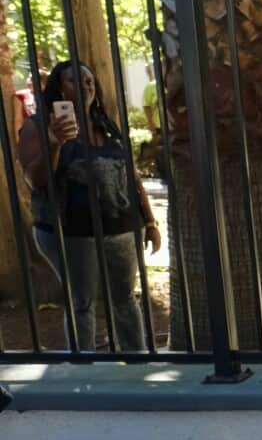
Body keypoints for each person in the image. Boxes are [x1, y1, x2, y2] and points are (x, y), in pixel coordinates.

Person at [16, 61, 162, 351]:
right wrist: (55, 143)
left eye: (89, 82)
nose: (84, 86)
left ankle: (137, 362)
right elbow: (35, 179)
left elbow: (129, 175)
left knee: (125, 299)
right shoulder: (37, 126)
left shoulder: (105, 125)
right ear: (58, 86)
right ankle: (85, 368)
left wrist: (149, 220)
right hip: (70, 232)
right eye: (74, 81)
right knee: (82, 301)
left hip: (120, 228)